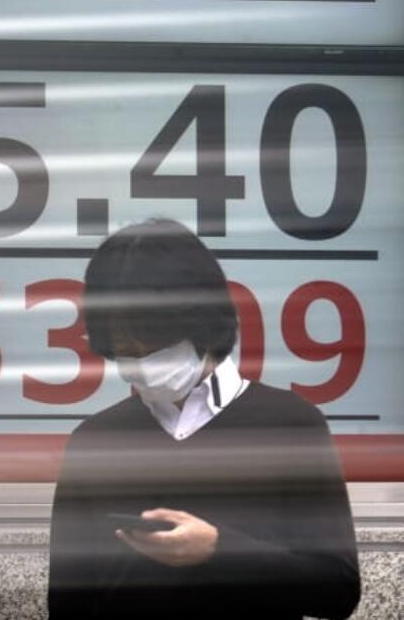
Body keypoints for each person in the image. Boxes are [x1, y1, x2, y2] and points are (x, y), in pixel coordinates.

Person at [47, 218, 361, 620]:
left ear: (203, 325)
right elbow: (67, 605)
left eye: (155, 347)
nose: (141, 366)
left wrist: (217, 549)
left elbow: (337, 590)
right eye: (125, 351)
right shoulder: (94, 442)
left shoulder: (291, 426)